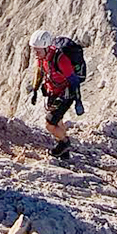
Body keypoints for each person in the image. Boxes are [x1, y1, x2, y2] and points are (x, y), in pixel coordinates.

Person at [29, 29, 86, 160]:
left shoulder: (61, 59)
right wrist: (35, 90)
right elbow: (39, 72)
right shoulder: (42, 57)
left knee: (49, 123)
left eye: (37, 50)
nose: (35, 54)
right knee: (58, 121)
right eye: (34, 50)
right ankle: (64, 152)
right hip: (53, 92)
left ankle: (65, 142)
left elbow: (73, 80)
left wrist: (78, 100)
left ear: (47, 48)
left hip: (65, 94)